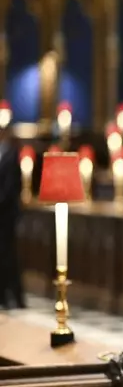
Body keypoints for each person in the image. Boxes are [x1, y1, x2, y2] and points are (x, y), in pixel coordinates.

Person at [0, 126, 25, 309]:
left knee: (9, 256)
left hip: (6, 215)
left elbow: (10, 187)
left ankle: (17, 298)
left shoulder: (11, 154)